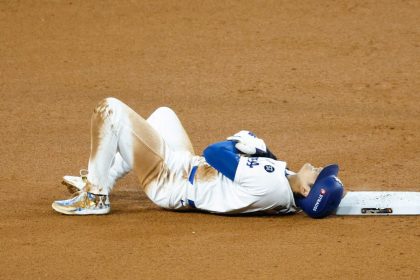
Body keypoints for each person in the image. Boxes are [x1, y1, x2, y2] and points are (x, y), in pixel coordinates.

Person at [52, 97, 344, 218]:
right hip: (186, 168)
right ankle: (103, 177)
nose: (317, 168)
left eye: (318, 175)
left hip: (169, 179)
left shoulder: (269, 183)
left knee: (110, 109)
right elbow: (263, 168)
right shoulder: (286, 195)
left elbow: (215, 153)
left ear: (306, 190)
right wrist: (261, 150)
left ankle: (95, 196)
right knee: (163, 115)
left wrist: (236, 143)